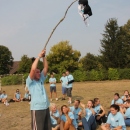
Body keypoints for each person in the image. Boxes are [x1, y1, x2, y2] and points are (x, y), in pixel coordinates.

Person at [26, 50, 51, 130]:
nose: (39, 73)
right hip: (37, 109)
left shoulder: (41, 79)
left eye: (39, 72)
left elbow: (46, 67)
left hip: (46, 107)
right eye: (37, 72)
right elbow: (33, 69)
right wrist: (39, 56)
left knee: (47, 128)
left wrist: (44, 57)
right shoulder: (30, 81)